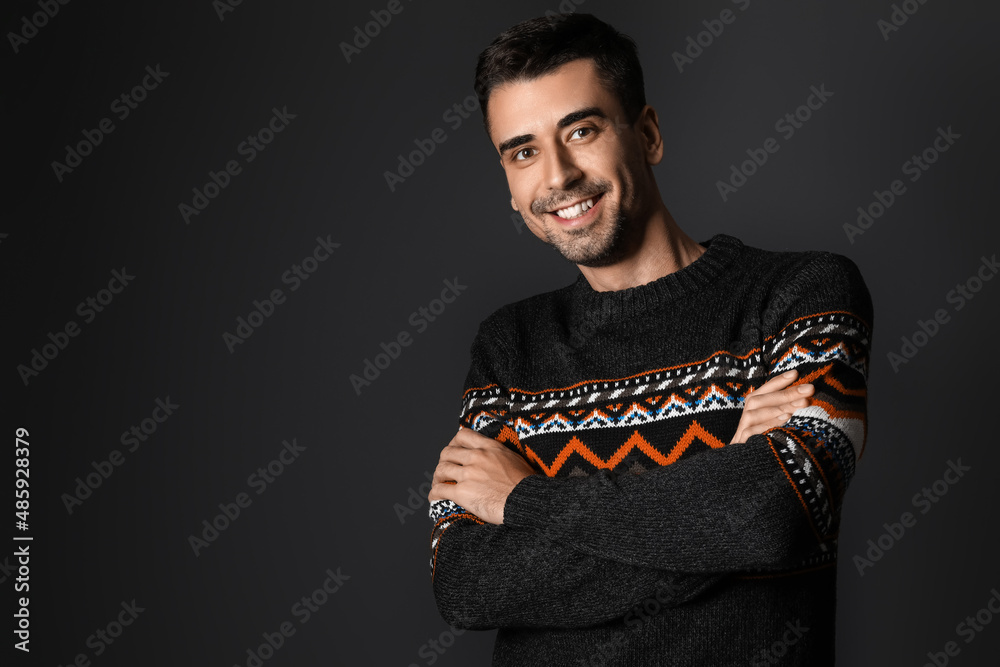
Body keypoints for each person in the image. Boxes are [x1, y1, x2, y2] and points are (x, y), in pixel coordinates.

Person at [426, 13, 872, 666]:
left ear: (649, 134)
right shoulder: (508, 347)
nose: (557, 176)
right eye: (522, 151)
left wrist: (521, 497)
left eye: (581, 130)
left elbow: (767, 516)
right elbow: (467, 585)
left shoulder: (799, 296)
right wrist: (714, 495)